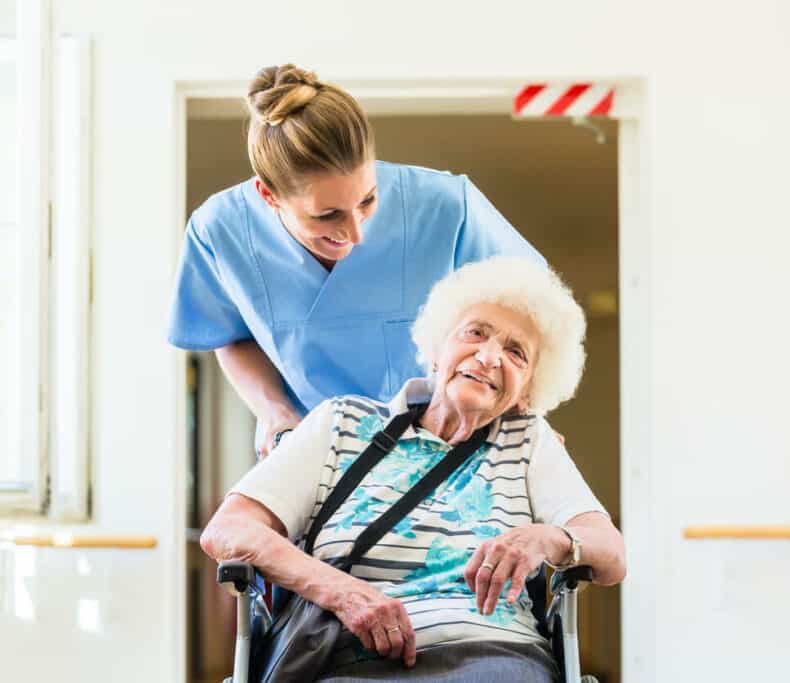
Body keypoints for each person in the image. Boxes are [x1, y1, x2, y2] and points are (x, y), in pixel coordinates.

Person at [200, 257, 626, 681]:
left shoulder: (530, 441)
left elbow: (610, 553)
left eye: (516, 353)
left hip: (492, 656)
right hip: (344, 654)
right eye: (475, 332)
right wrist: (344, 593)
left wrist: (550, 537)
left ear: (528, 392)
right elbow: (228, 530)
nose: (490, 356)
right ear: (437, 351)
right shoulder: (339, 422)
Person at [168, 64, 543, 457]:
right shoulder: (221, 231)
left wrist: (523, 421)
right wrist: (275, 414)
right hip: (312, 451)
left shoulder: (445, 206)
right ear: (269, 195)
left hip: (448, 445)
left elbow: (533, 311)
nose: (357, 232)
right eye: (327, 215)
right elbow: (230, 335)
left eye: (368, 200)